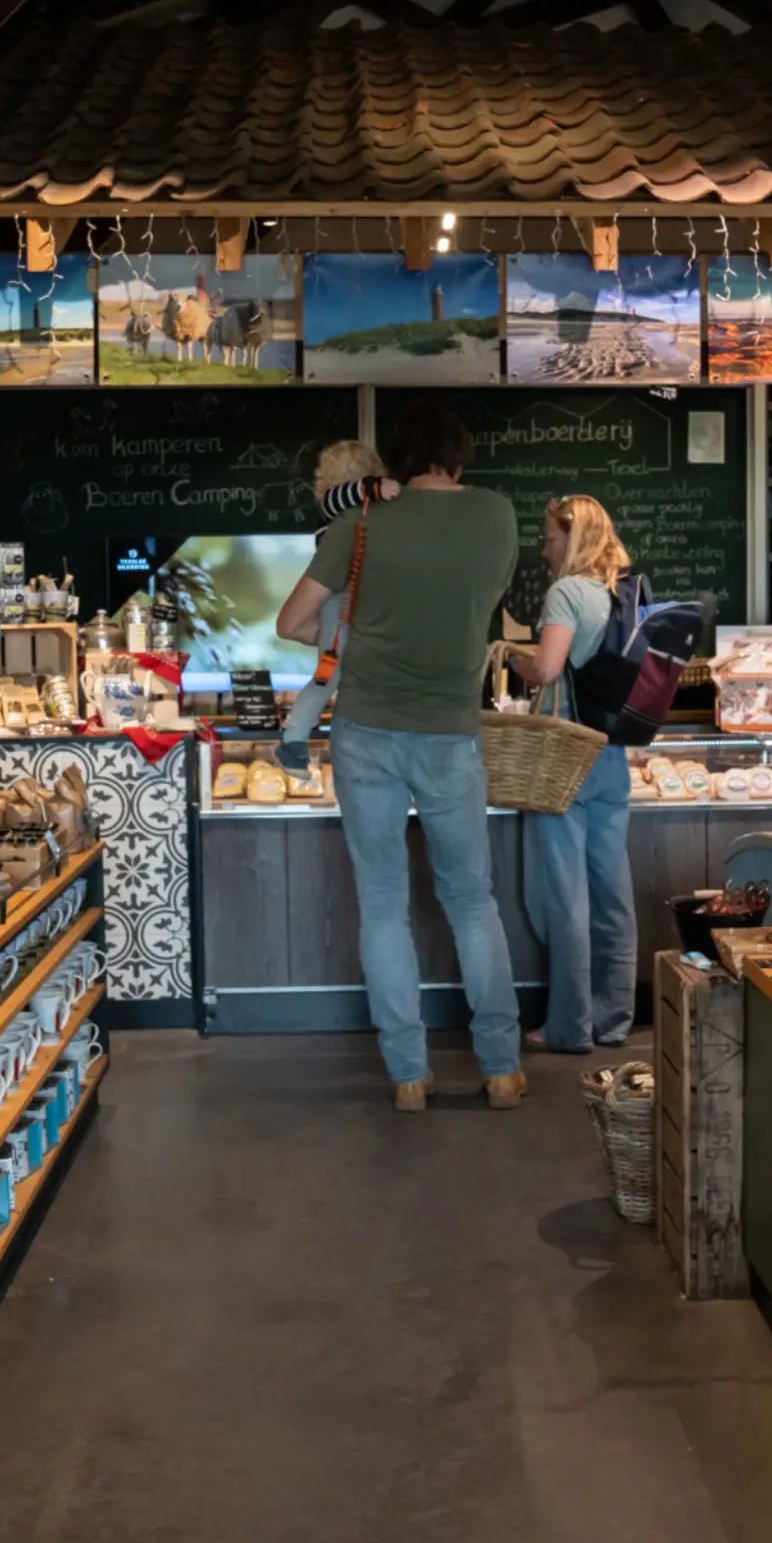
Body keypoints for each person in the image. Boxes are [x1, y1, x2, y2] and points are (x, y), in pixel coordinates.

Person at [277, 403, 524, 1113]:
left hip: (367, 731)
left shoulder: (362, 525)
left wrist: (362, 640)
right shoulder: (497, 516)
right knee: (472, 904)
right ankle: (502, 1068)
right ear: (459, 451)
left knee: (383, 908)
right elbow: (482, 603)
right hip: (452, 732)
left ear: (397, 461)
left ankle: (409, 1076)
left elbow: (291, 621)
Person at [508, 496, 637, 1053]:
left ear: (573, 538)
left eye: (551, 539)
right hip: (612, 753)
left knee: (565, 896)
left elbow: (548, 668)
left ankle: (569, 1026)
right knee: (614, 895)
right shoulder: (621, 592)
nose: (544, 549)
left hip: (565, 755)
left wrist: (515, 658)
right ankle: (615, 1018)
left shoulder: (565, 592)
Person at [279, 442, 398, 772]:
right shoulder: (335, 508)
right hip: (338, 602)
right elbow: (346, 495)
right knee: (327, 675)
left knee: (334, 674)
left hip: (353, 605)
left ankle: (297, 736)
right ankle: (294, 738)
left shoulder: (363, 515)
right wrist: (375, 487)